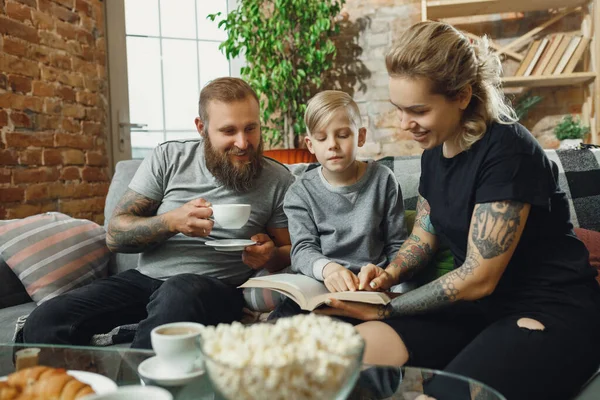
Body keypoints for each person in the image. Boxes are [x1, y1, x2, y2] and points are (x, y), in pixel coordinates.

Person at [315, 21, 600, 400]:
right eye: (399, 109)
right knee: (342, 360)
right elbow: (424, 234)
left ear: (463, 95)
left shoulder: (508, 151)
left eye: (417, 110)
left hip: (551, 309)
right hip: (478, 311)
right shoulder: (436, 150)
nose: (404, 124)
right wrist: (388, 274)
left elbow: (478, 278)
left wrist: (388, 311)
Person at [22, 77, 294, 349]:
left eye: (251, 128)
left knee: (179, 292)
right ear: (202, 128)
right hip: (145, 281)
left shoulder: (277, 179)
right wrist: (171, 222)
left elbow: (289, 249)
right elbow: (115, 235)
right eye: (228, 131)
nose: (243, 142)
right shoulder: (169, 158)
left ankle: (134, 388)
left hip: (213, 289)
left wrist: (268, 255)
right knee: (46, 320)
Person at [269, 90, 406, 319]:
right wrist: (327, 268)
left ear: (360, 136)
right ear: (310, 144)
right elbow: (302, 250)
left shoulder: (383, 180)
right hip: (321, 286)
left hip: (368, 289)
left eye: (342, 135)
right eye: (322, 138)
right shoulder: (300, 192)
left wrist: (388, 278)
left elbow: (397, 245)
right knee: (281, 326)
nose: (332, 145)